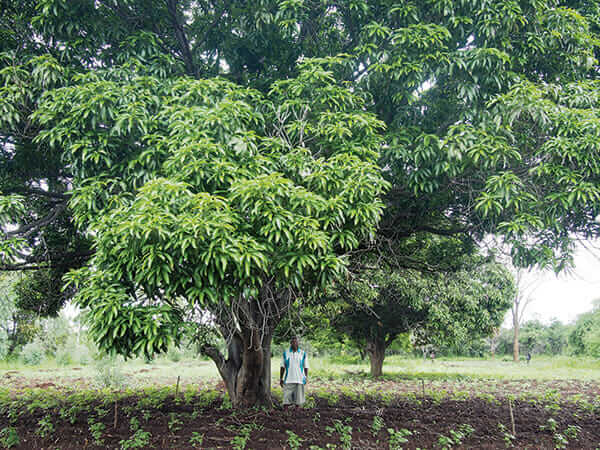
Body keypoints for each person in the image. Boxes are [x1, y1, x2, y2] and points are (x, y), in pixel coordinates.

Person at [280, 336, 309, 407]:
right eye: (292, 342)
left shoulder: (303, 353)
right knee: (286, 401)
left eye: (296, 342)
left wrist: (306, 377)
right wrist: (281, 378)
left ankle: (297, 415)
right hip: (288, 380)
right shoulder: (286, 353)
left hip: (299, 379)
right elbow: (282, 367)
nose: (294, 344)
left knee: (298, 402)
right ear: (290, 343)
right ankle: (286, 414)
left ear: (298, 343)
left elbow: (306, 367)